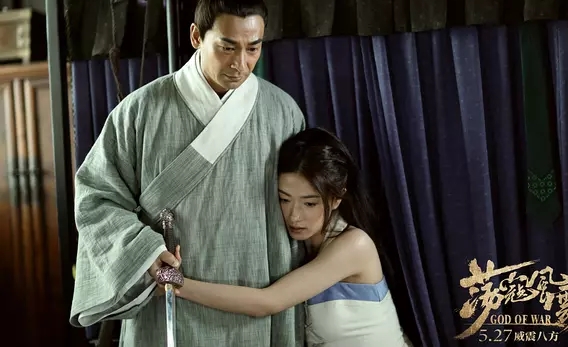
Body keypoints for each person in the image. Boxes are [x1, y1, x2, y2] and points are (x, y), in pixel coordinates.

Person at [69, 0, 305, 347]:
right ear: (197, 36)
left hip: (258, 287)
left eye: (253, 48)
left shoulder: (283, 112)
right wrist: (144, 253)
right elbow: (95, 199)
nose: (241, 63)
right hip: (168, 292)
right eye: (227, 47)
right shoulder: (139, 111)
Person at [168, 128, 414, 346]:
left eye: (309, 203)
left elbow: (268, 302)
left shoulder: (355, 245)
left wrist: (175, 282)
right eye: (284, 199)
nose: (294, 216)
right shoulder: (297, 247)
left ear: (337, 198)